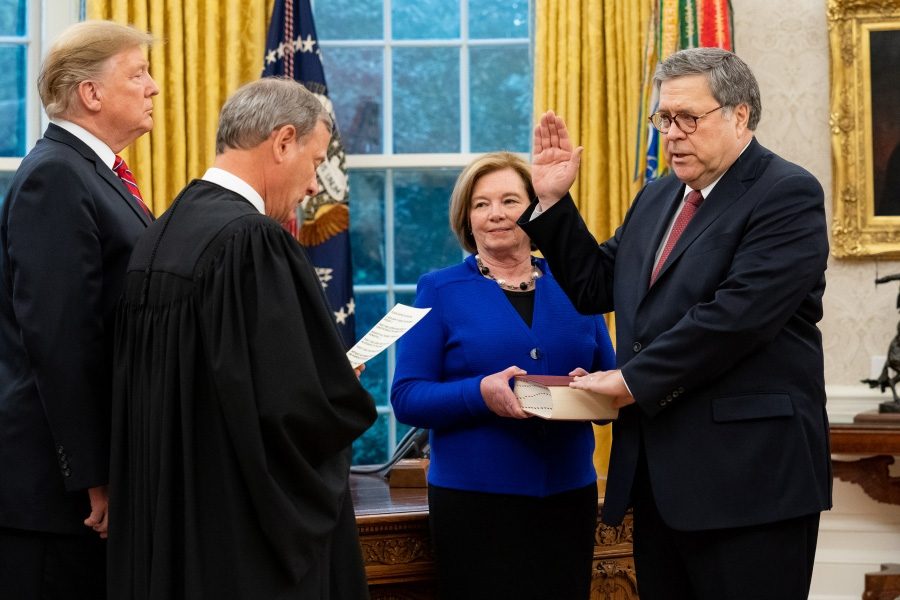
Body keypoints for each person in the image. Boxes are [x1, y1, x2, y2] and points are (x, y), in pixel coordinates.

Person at [519, 47, 831, 599]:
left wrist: (626, 381)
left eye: (689, 117)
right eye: (664, 118)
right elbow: (596, 286)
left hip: (750, 481)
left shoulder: (787, 193)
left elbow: (736, 318)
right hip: (660, 482)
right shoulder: (661, 194)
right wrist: (552, 203)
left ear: (740, 115)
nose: (673, 133)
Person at [107, 77, 377, 599]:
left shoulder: (160, 234)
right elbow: (290, 409)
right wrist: (334, 385)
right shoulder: (252, 241)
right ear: (282, 142)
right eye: (316, 160)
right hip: (239, 540)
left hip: (169, 532)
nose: (315, 185)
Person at [391, 152, 616, 600]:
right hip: (475, 503)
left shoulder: (578, 283)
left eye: (510, 200)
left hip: (569, 497)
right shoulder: (438, 288)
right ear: (466, 218)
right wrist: (479, 393)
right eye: (481, 204)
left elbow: (612, 389)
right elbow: (407, 396)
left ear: (535, 210)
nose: (495, 214)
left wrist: (593, 391)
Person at [0, 20, 158, 598]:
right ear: (90, 93)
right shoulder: (56, 177)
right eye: (138, 74)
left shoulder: (91, 172)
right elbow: (61, 340)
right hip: (56, 496)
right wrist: (93, 475)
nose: (154, 88)